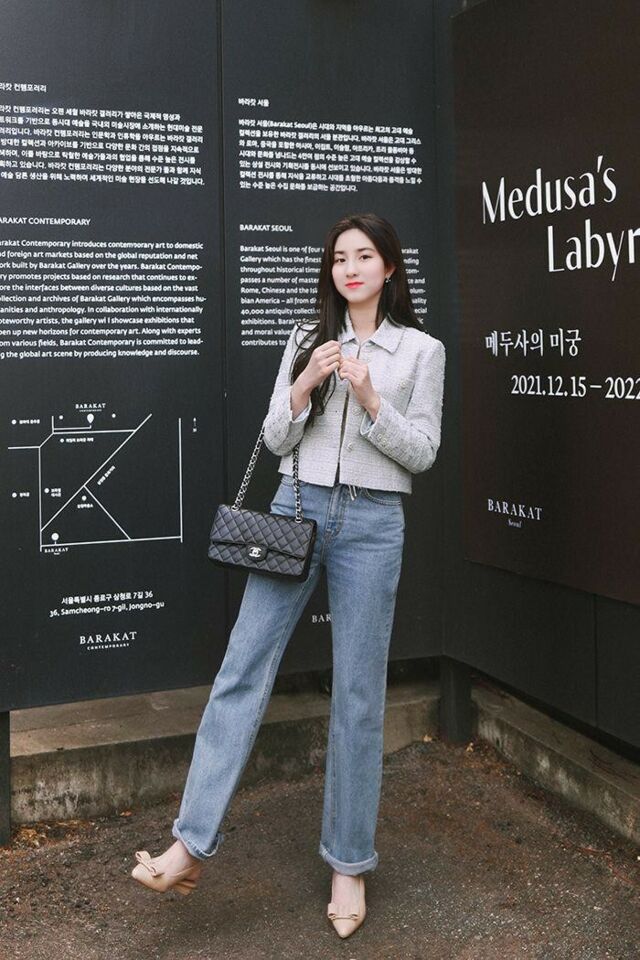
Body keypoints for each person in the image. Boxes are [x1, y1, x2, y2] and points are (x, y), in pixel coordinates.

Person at [130, 212, 446, 939]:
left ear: (389, 267)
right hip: (294, 510)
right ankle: (188, 846)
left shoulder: (420, 350)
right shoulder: (306, 337)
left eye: (364, 256)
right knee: (241, 668)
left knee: (359, 693)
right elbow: (275, 437)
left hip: (373, 521)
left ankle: (348, 863)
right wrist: (305, 382)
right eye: (339, 258)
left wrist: (371, 399)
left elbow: (424, 452)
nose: (350, 269)